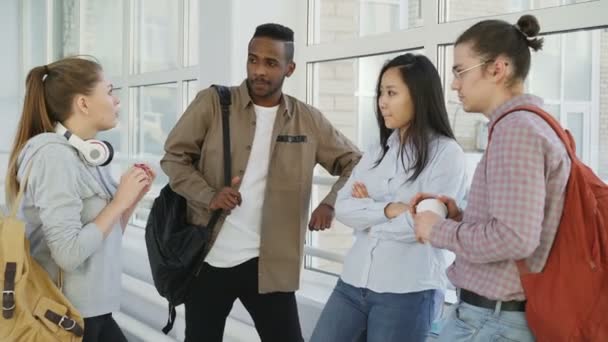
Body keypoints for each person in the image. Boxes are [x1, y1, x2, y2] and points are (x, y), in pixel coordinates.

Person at [161, 23, 361, 342]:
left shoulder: (307, 119)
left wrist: (330, 202)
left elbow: (355, 162)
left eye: (270, 63)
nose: (259, 71)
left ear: (289, 68)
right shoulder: (213, 104)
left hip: (269, 264)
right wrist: (209, 195)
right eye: (253, 60)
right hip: (209, 260)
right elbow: (173, 158)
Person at [411, 14, 570, 342]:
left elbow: (515, 237)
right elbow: (521, 226)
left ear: (498, 68)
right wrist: (462, 218)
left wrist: (439, 229)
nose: (454, 84)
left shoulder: (517, 132)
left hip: (489, 323)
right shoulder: (530, 125)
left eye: (459, 71)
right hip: (491, 319)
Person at [310, 53, 468, 342]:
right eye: (381, 93)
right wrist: (390, 209)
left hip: (407, 291)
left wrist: (367, 213)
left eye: (392, 93)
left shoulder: (447, 155)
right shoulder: (377, 150)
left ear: (419, 96)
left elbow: (422, 227)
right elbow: (343, 207)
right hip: (352, 282)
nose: (382, 101)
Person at [5, 56, 156, 342]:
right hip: (65, 318)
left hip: (93, 313)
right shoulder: (53, 157)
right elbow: (69, 254)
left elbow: (102, 239)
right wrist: (118, 202)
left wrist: (130, 199)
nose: (117, 101)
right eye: (109, 91)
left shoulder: (84, 156)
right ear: (83, 104)